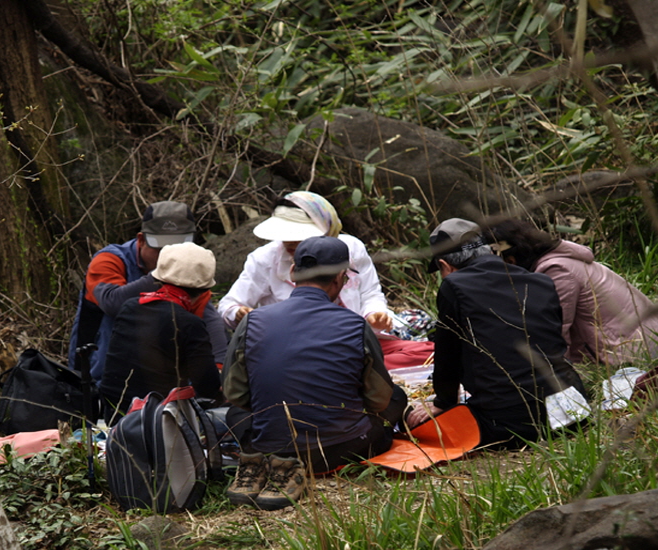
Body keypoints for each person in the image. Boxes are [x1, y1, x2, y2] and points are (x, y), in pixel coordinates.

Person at [222, 236, 408, 510]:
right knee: (396, 398)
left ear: (294, 273)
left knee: (235, 415)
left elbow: (233, 393)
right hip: (336, 450)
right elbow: (379, 400)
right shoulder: (355, 325)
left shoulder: (252, 320)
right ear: (340, 279)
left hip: (270, 443)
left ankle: (263, 461)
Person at [406, 218, 585, 449]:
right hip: (572, 411)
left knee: (416, 423)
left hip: (509, 422)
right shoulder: (540, 281)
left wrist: (444, 401)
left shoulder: (454, 287)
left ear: (445, 265)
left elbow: (447, 354)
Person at [218, 190, 433, 369]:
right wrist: (238, 313)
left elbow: (370, 293)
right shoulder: (265, 259)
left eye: (299, 235)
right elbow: (228, 305)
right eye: (286, 235)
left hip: (354, 342)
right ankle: (362, 371)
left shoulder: (351, 249)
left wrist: (375, 314)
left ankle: (359, 369)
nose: (290, 241)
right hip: (299, 349)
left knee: (428, 352)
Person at [68, 201, 228, 387]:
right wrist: (162, 274)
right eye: (160, 248)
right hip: (98, 379)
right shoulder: (108, 260)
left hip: (160, 383)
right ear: (141, 240)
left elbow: (208, 320)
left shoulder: (188, 270)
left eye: (176, 250)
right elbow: (112, 303)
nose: (167, 257)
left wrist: (219, 369)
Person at [487, 219, 658, 366]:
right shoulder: (560, 261)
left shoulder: (557, 271)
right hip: (653, 342)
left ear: (511, 260)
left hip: (639, 355)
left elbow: (554, 333)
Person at [99, 242, 222, 425]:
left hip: (114, 414)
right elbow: (207, 387)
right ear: (203, 289)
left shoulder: (130, 307)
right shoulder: (189, 323)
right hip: (158, 421)